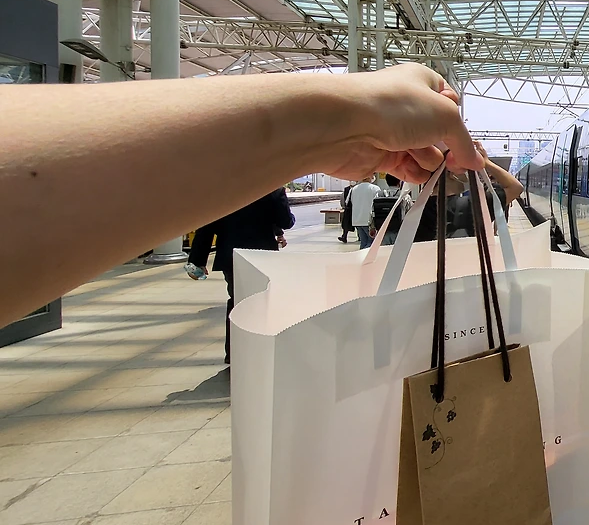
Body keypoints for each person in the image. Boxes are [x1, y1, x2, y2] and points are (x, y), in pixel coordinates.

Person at [0, 62, 482, 327]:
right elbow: (284, 219)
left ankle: (241, 345)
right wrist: (336, 124)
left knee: (245, 308)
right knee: (253, 306)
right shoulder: (269, 191)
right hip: (260, 249)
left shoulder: (249, 190)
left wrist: (336, 126)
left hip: (235, 254)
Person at [187, 188, 295, 365]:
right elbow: (286, 221)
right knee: (262, 303)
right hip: (262, 257)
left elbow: (207, 226)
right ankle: (260, 350)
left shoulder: (223, 189)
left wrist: (197, 260)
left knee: (237, 301)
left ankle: (235, 353)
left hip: (232, 255)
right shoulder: (272, 188)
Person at [414, 142, 524, 241]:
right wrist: (485, 162)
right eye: (462, 169)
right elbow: (516, 188)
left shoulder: (418, 211)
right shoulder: (475, 205)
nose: (465, 173)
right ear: (451, 174)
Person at [349, 174, 381, 249]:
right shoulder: (375, 188)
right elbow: (377, 203)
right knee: (371, 242)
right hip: (369, 220)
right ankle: (364, 254)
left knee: (363, 242)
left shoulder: (354, 189)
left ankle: (361, 254)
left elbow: (352, 202)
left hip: (357, 219)